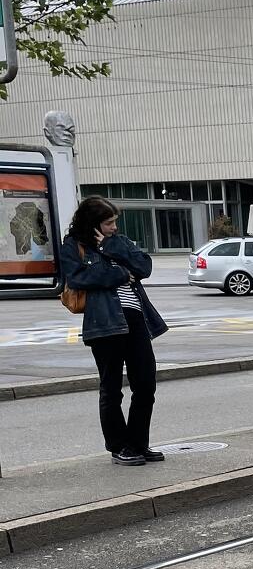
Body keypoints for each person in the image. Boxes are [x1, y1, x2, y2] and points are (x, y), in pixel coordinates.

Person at [59, 196, 168, 466]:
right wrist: (119, 274)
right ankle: (119, 447)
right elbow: (78, 278)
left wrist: (110, 245)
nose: (114, 227)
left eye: (114, 222)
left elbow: (144, 267)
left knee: (145, 385)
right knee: (111, 389)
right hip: (104, 324)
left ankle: (138, 443)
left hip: (137, 319)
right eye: (108, 223)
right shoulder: (73, 246)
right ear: (92, 223)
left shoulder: (118, 241)